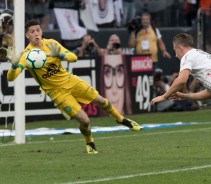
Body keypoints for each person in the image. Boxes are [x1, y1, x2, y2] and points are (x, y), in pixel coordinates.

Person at [6, 19, 141, 154]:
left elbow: (74, 57)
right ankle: (89, 141)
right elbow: (11, 77)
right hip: (58, 93)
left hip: (71, 81)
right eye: (32, 31)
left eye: (38, 30)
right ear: (27, 35)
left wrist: (60, 54)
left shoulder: (52, 44)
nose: (36, 33)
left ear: (41, 31)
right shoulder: (25, 56)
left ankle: (121, 119)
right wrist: (13, 66)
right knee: (85, 120)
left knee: (100, 100)